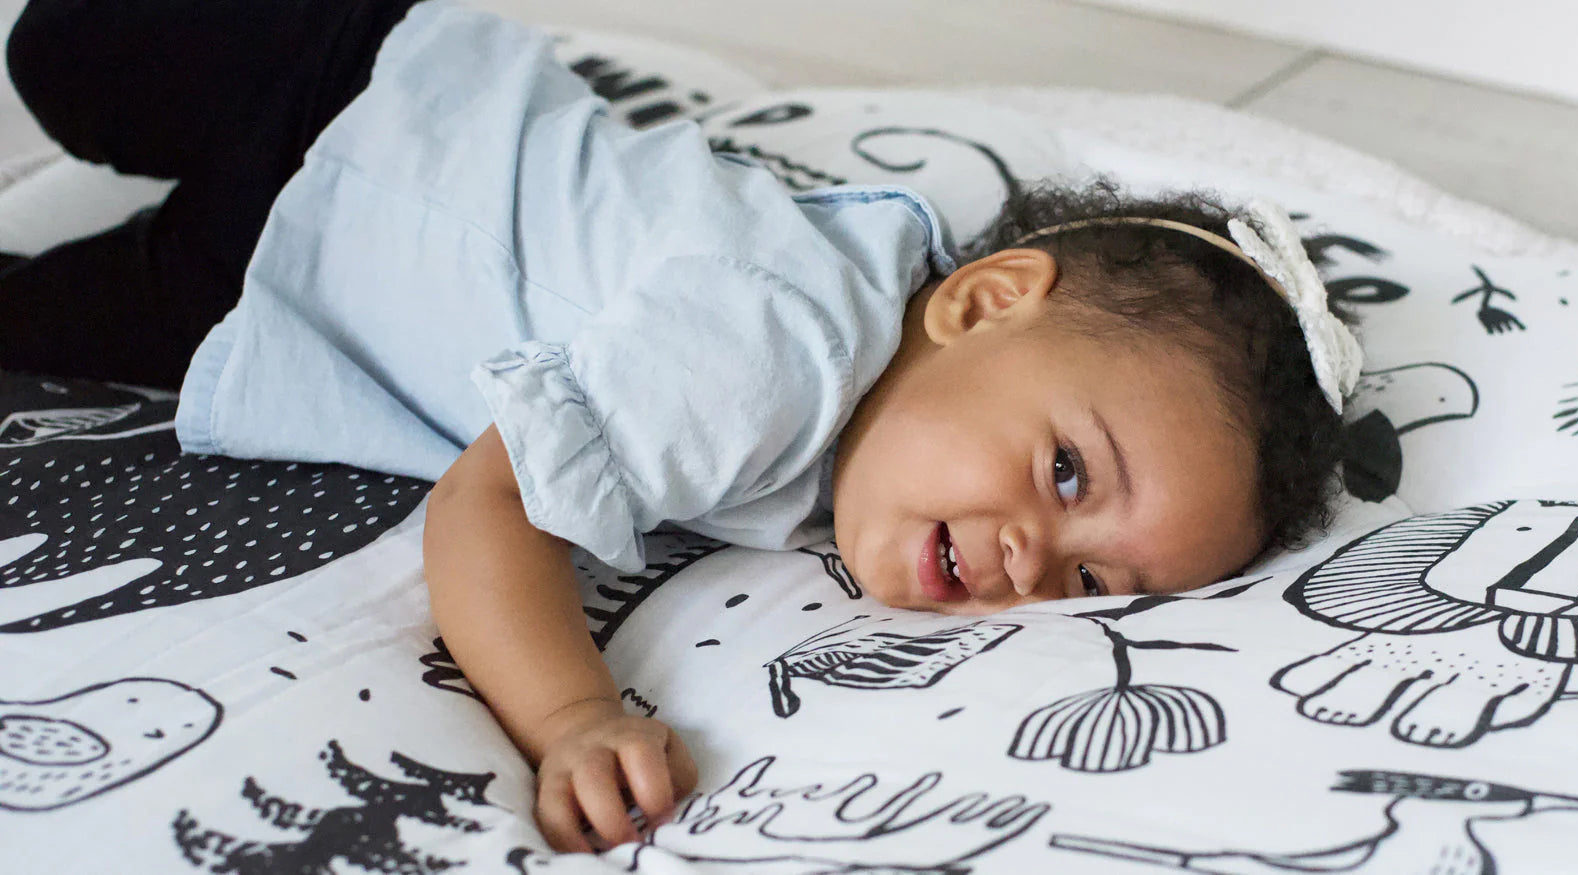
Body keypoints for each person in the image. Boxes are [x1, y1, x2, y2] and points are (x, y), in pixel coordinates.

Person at [2, 0, 1362, 853]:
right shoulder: (775, 343)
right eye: (1066, 471)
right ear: (985, 301)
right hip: (355, 98)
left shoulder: (885, 417)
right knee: (65, 52)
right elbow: (491, 504)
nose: (1028, 562)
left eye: (1090, 584)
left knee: (39, 323)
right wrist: (576, 713)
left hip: (288, 274)